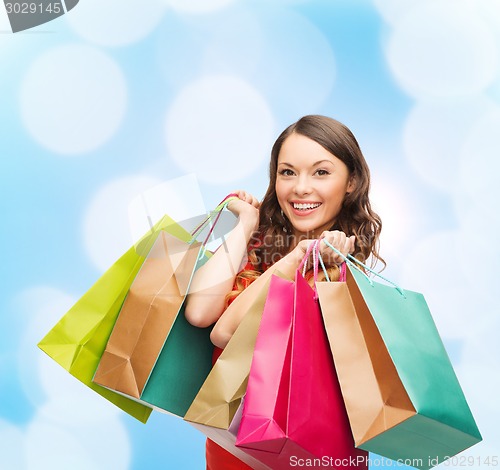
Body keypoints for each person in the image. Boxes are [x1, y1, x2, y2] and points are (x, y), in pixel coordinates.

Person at [184, 115, 383, 469]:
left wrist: (299, 258)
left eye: (321, 172)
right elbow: (199, 313)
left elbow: (226, 332)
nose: (300, 188)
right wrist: (245, 225)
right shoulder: (259, 245)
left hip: (302, 451)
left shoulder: (343, 276)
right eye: (287, 172)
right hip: (232, 446)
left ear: (351, 182)